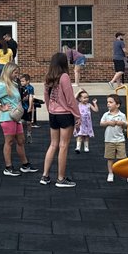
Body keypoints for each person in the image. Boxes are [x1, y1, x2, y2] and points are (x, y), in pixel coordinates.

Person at [41, 53, 78, 187]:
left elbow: (46, 96)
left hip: (53, 113)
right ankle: (61, 178)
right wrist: (77, 115)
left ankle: (45, 176)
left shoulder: (48, 78)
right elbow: (70, 99)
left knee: (53, 144)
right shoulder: (64, 77)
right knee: (63, 146)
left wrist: (49, 108)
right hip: (64, 114)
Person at [0, 62, 32, 176]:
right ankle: (8, 167)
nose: (17, 75)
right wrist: (1, 108)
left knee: (21, 140)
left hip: (16, 117)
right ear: (9, 72)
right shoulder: (3, 85)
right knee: (9, 142)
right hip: (7, 117)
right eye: (15, 72)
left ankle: (25, 164)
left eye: (17, 73)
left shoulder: (13, 84)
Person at [100, 94, 128, 183]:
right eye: (107, 102)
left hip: (120, 140)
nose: (108, 104)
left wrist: (121, 123)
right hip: (109, 140)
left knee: (123, 158)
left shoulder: (122, 115)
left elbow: (126, 125)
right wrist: (108, 123)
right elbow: (101, 124)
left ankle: (127, 173)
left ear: (117, 105)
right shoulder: (106, 114)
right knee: (110, 158)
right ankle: (110, 173)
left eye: (110, 102)